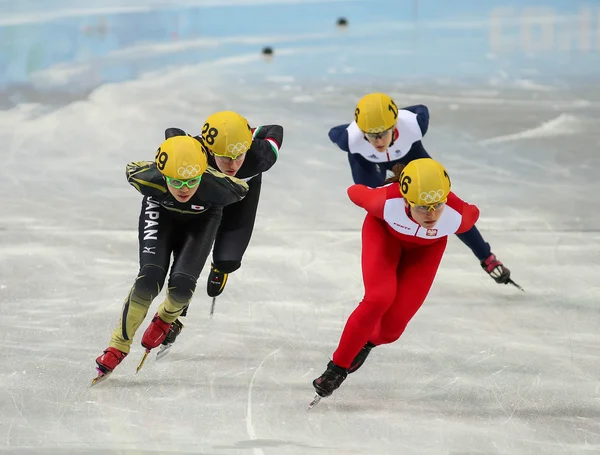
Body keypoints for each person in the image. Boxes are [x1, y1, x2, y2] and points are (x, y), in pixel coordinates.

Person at [312, 158, 480, 400]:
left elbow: (474, 212)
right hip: (384, 236)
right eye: (421, 207)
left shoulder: (458, 216)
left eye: (437, 205)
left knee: (391, 331)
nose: (431, 214)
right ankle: (335, 369)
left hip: (426, 251)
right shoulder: (384, 202)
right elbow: (354, 191)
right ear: (405, 199)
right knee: (379, 298)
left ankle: (365, 342)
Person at [93, 134, 249, 384]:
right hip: (159, 215)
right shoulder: (145, 177)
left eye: (192, 180)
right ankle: (117, 346)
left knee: (183, 286)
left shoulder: (222, 187)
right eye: (176, 182)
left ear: (204, 174)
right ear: (162, 175)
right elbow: (131, 168)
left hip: (202, 222)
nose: (184, 189)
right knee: (149, 279)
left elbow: (245, 194)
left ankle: (166, 318)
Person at [328, 92, 520, 289]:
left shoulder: (414, 124)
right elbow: (334, 132)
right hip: (367, 163)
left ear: (395, 125)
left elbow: (421, 109)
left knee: (446, 205)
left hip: (410, 156)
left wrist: (401, 115)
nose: (378, 141)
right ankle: (391, 256)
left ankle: (486, 257)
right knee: (379, 210)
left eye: (383, 133)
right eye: (371, 135)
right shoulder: (349, 139)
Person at [158, 111, 283, 352]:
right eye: (225, 158)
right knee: (186, 260)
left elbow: (274, 128)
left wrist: (247, 134)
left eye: (238, 156)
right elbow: (173, 135)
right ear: (210, 150)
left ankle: (219, 268)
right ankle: (175, 317)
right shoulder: (196, 150)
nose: (233, 165)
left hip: (242, 198)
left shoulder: (261, 156)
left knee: (228, 260)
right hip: (207, 196)